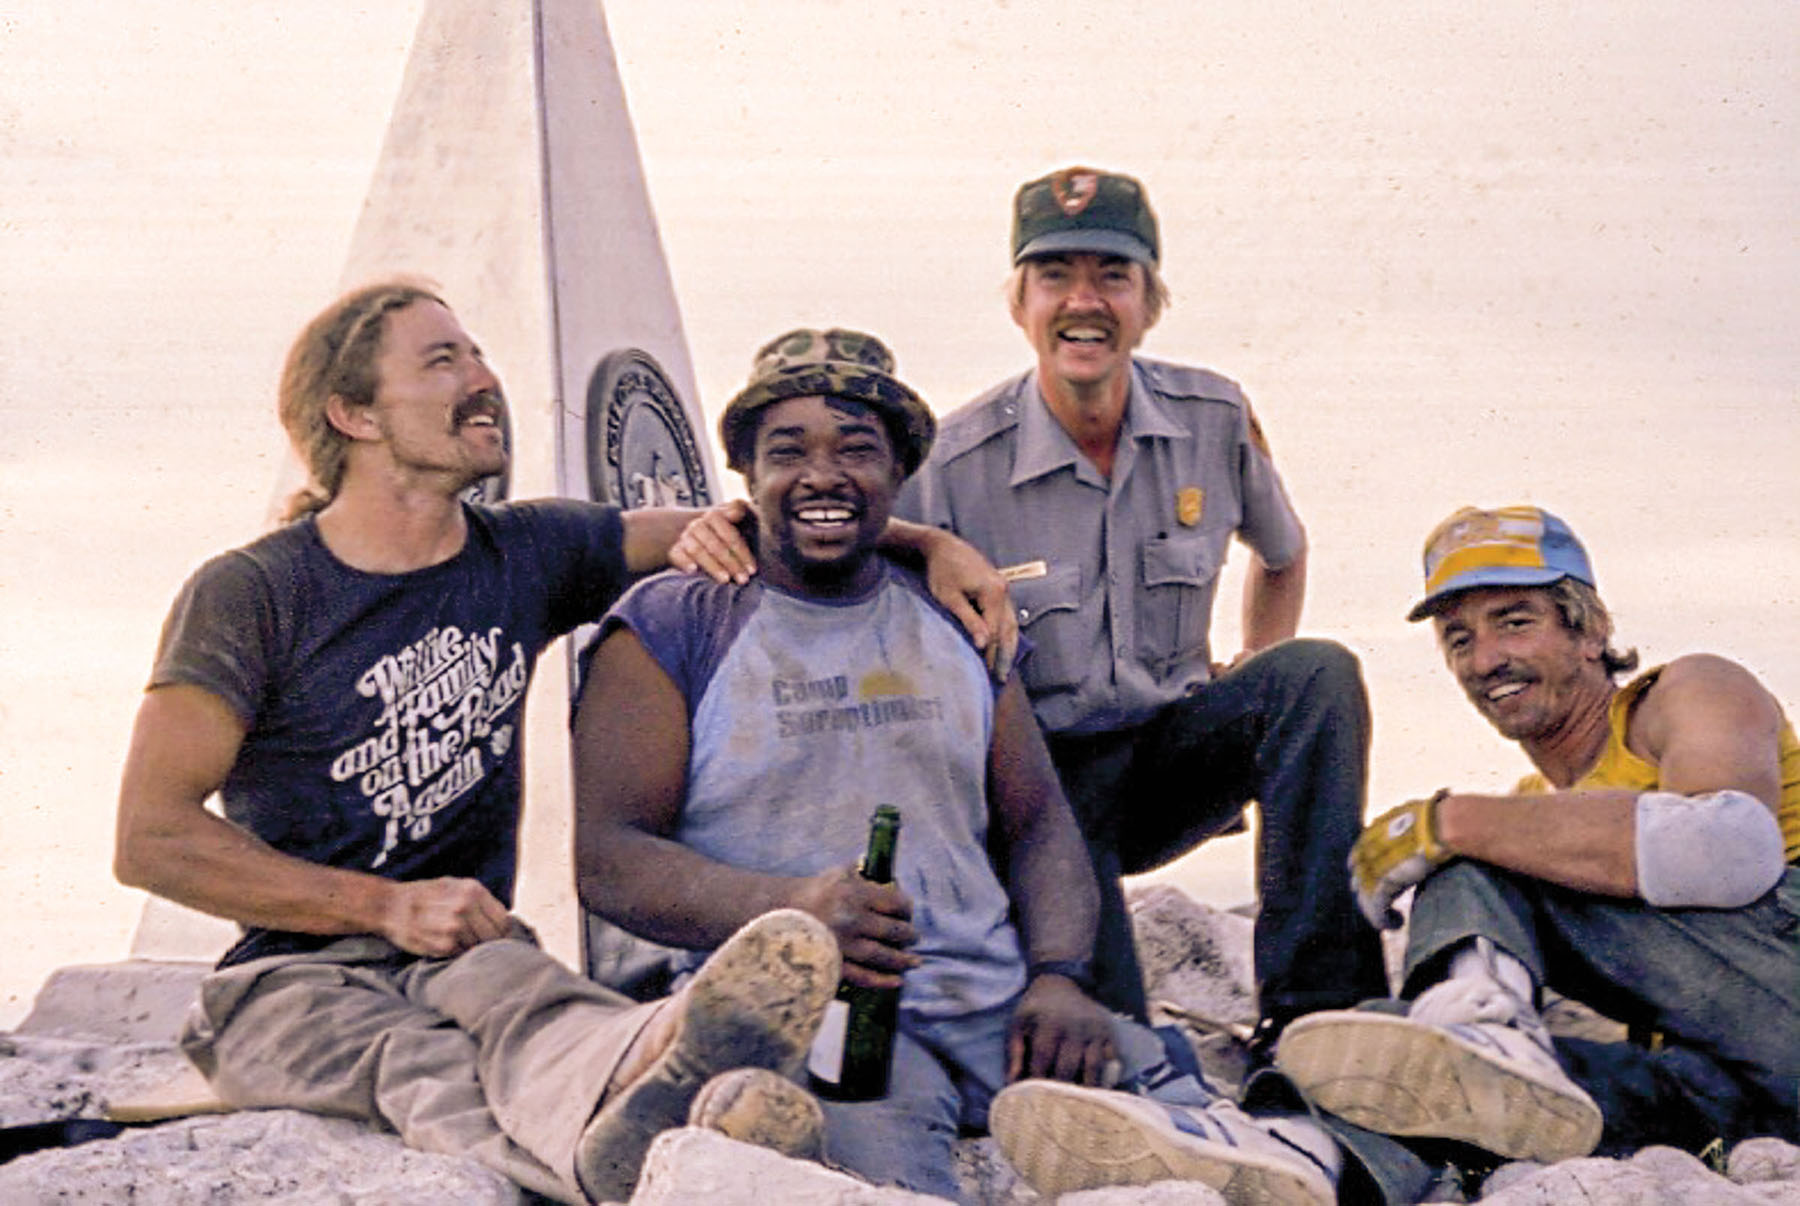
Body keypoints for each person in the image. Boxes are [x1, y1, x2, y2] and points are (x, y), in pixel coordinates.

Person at [111, 280, 1006, 1204]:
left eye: (480, 354)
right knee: (417, 1067)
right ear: (352, 414)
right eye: (443, 360)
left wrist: (930, 543)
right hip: (288, 978)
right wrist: (383, 907)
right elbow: (151, 836)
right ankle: (635, 1155)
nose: (485, 379)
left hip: (469, 953)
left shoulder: (524, 551)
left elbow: (762, 527)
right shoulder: (253, 592)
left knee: (545, 1009)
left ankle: (687, 1079)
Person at [572, 328, 1343, 1204]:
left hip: (998, 1015)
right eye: (787, 452)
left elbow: (1040, 822)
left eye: (858, 449)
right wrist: (785, 908)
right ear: (746, 474)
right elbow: (608, 858)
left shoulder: (956, 614)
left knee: (1249, 1153)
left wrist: (1059, 976)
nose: (823, 475)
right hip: (825, 1033)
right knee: (882, 1171)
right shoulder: (675, 623)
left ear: (900, 474)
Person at [896, 165, 1387, 1047]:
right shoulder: (955, 461)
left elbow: (1284, 551)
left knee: (1313, 675)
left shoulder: (1215, 417)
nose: (1084, 302)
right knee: (1107, 1038)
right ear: (1019, 304)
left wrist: (1250, 662)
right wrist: (929, 545)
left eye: (1113, 277)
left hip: (1170, 755)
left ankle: (1321, 1014)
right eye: (1056, 277)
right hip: (1042, 792)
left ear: (1151, 303)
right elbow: (870, 577)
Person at [1277, 505, 1800, 1167]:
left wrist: (1451, 823)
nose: (1487, 659)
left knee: (1471, 856)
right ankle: (1301, 1153)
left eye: (1515, 622)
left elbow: (1733, 848)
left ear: (1591, 630)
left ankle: (1480, 1035)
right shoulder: (1531, 811)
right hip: (1746, 1093)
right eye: (1459, 639)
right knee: (1390, 1077)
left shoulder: (1684, 693)